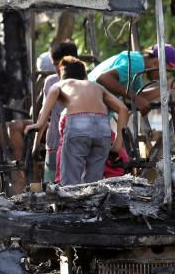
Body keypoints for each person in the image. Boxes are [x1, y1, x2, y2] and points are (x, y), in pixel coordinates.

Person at [26, 57, 128, 186]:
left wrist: (37, 125)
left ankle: (71, 205)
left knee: (70, 183)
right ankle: (92, 205)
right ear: (85, 76)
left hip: (79, 124)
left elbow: (44, 113)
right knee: (93, 184)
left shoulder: (60, 84)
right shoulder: (97, 87)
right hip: (103, 127)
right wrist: (117, 145)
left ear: (61, 75)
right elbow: (123, 109)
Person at [88, 44, 175, 113]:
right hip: (88, 103)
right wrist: (135, 98)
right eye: (165, 71)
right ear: (156, 63)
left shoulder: (137, 66)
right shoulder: (137, 64)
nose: (164, 76)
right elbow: (103, 78)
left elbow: (142, 96)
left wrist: (169, 85)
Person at [38, 41, 79, 184]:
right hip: (55, 142)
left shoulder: (85, 82)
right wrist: (36, 144)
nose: (56, 68)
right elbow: (43, 114)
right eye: (54, 64)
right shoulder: (51, 82)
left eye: (58, 64)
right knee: (52, 189)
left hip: (77, 144)